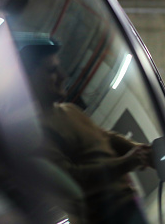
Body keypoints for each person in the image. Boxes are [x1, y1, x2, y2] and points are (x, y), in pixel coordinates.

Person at [20, 41, 152, 223]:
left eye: (60, 69)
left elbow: (106, 138)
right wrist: (127, 162)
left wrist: (144, 151)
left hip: (129, 207)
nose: (63, 76)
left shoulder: (70, 110)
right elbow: (73, 180)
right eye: (51, 71)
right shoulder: (36, 132)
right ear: (29, 79)